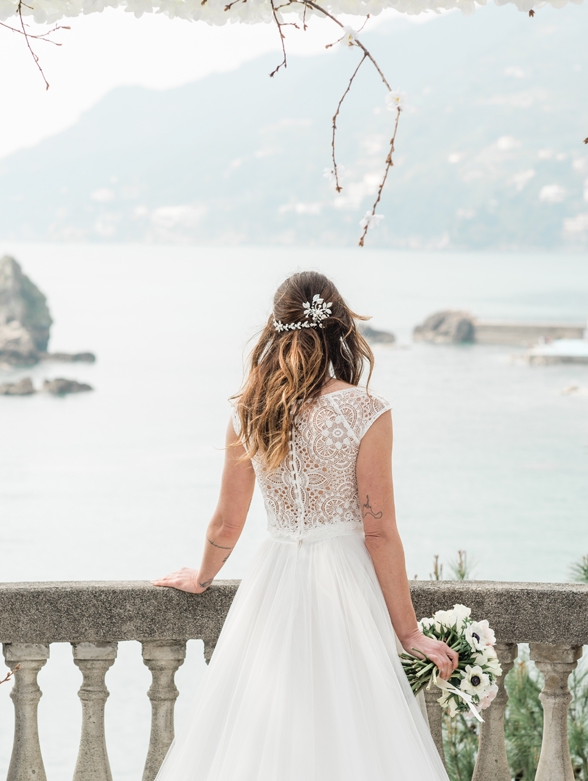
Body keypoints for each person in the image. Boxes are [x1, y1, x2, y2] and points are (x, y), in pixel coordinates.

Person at [152, 271, 456, 780]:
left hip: (273, 584)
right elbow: (378, 529)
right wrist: (408, 632)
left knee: (264, 733)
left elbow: (228, 522)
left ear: (275, 327)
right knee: (354, 735)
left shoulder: (249, 409)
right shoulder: (366, 410)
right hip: (346, 584)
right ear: (340, 328)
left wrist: (201, 578)